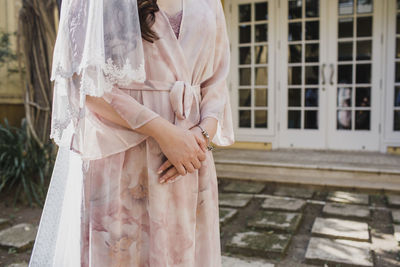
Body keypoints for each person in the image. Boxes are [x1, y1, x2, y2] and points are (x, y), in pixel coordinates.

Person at [28, 0, 234, 266]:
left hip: (189, 159)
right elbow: (83, 80)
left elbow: (216, 80)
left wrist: (201, 136)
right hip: (122, 157)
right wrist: (164, 133)